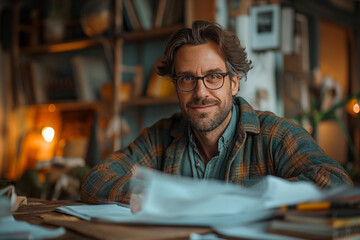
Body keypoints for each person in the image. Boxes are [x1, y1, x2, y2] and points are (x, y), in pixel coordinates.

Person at [80, 20, 353, 208]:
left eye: (213, 77)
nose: (200, 92)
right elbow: (96, 180)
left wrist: (228, 196)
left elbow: (334, 181)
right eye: (187, 78)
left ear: (234, 83)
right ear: (176, 86)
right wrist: (155, 194)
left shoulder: (275, 134)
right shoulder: (161, 137)